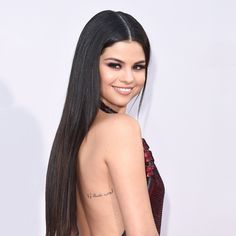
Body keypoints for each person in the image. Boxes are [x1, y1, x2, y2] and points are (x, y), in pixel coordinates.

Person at [45, 10, 165, 236]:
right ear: (91, 65)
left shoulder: (76, 137)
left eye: (138, 66)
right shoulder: (121, 129)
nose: (129, 78)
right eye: (115, 65)